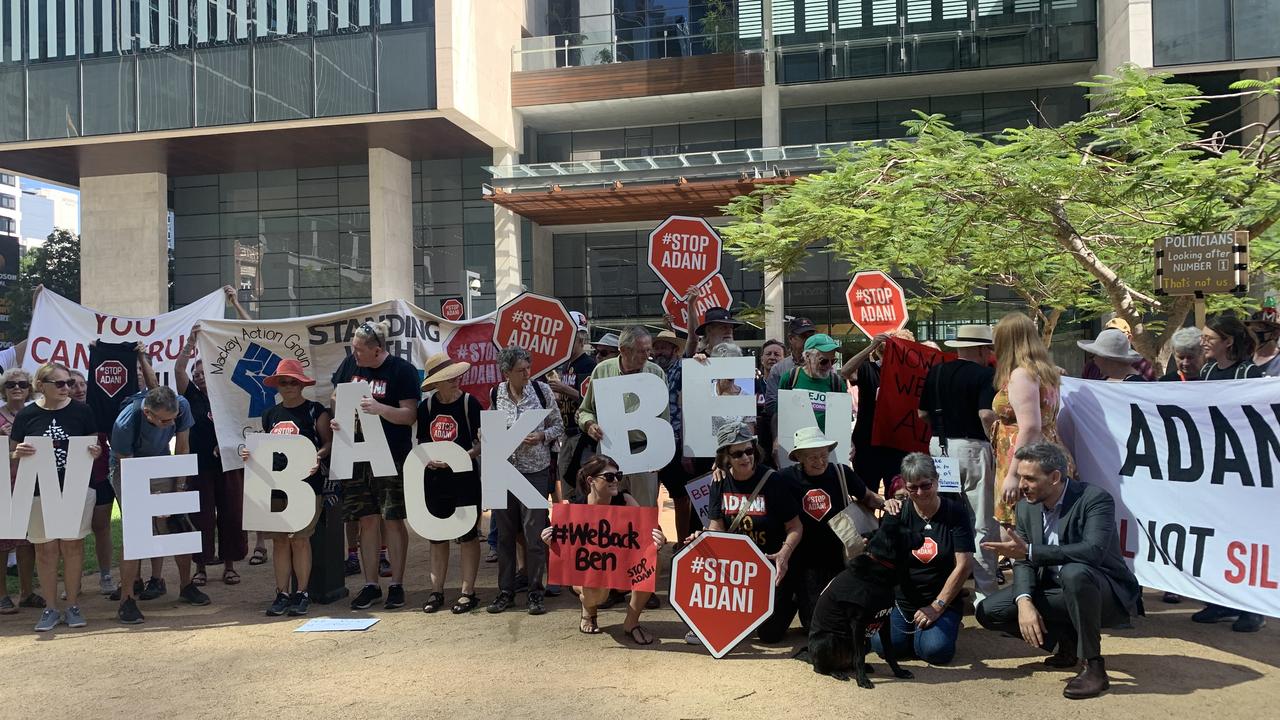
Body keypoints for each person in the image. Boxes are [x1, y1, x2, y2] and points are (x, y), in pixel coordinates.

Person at [976, 443, 1141, 700]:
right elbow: (1024, 561)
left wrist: (1031, 552)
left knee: (1074, 573)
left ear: (1055, 477)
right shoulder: (1025, 506)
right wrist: (1024, 601)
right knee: (989, 611)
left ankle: (1094, 666)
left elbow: (1093, 551)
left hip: (1103, 591)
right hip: (1058, 589)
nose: (1021, 485)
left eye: (1030, 478)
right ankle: (1066, 643)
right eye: (1020, 476)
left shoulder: (1095, 499)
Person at [329, 320, 421, 611]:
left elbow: (409, 415)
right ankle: (371, 585)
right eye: (353, 349)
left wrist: (380, 409)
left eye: (359, 350)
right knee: (366, 520)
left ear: (377, 350)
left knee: (392, 518)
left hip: (390, 454)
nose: (354, 354)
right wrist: (339, 415)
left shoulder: (401, 370)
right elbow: (335, 395)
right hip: (355, 453)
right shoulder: (350, 365)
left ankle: (396, 584)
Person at [10, 363, 103, 631]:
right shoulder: (27, 415)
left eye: (69, 383)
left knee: (72, 547)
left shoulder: (82, 411)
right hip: (39, 489)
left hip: (74, 487)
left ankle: (72, 604)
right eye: (60, 384)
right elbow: (14, 452)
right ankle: (50, 608)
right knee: (46, 549)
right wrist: (19, 453)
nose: (67, 389)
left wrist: (94, 451)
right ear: (42, 385)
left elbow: (92, 444)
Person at [1190, 314, 1266, 632]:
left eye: (1209, 337)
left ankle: (1251, 608)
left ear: (1228, 342)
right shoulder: (1207, 371)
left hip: (1244, 468)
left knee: (1244, 535)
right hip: (1215, 466)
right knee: (1218, 532)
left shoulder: (1250, 373)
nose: (1203, 342)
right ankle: (1221, 601)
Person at [110, 384, 211, 624]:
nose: (170, 425)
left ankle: (186, 585)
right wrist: (148, 499)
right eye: (164, 422)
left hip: (164, 464)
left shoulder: (181, 406)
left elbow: (183, 447)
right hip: (128, 467)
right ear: (148, 413)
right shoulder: (126, 422)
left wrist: (179, 488)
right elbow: (126, 463)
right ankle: (127, 599)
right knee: (136, 533)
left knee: (179, 524)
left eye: (172, 420)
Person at [239, 360, 331, 617]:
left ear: (302, 384)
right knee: (279, 541)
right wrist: (251, 454)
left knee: (300, 540)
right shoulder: (270, 414)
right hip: (276, 487)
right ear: (277, 385)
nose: (289, 386)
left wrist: (318, 457)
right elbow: (265, 450)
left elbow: (328, 443)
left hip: (306, 486)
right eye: (283, 382)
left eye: (293, 381)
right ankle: (281, 593)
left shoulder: (315, 411)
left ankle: (301, 593)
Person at [540, 454, 666, 643]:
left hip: (622, 567)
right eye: (609, 477)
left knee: (653, 561)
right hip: (589, 574)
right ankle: (588, 609)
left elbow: (649, 532)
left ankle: (631, 622)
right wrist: (551, 542)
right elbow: (567, 553)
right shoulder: (576, 508)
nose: (616, 480)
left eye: (618, 475)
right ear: (591, 480)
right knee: (594, 589)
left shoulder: (625, 500)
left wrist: (658, 539)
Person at [919, 324, 999, 601]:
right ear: (981, 349)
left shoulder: (937, 371)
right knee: (981, 520)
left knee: (943, 517)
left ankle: (944, 587)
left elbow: (921, 414)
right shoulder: (986, 374)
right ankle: (985, 595)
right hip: (974, 447)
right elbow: (986, 414)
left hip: (940, 447)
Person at [705, 421, 803, 643]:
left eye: (749, 450)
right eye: (737, 453)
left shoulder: (772, 480)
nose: (745, 458)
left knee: (769, 635)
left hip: (771, 566)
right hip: (738, 569)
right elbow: (716, 526)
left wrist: (784, 554)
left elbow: (795, 526)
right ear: (725, 457)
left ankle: (793, 597)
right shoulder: (719, 482)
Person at [874, 454, 974, 665]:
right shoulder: (897, 512)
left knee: (935, 651)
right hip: (902, 601)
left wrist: (937, 606)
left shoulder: (955, 512)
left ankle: (938, 627)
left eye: (926, 485)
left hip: (939, 599)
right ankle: (915, 633)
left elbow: (964, 565)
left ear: (936, 480)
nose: (920, 493)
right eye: (912, 488)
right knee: (883, 647)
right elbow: (880, 560)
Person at [780, 426, 883, 631]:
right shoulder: (785, 478)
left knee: (841, 617)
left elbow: (868, 497)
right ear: (799, 457)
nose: (819, 461)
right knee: (814, 624)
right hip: (806, 560)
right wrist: (721, 466)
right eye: (812, 457)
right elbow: (758, 478)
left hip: (843, 555)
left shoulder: (841, 472)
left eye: (823, 455)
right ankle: (795, 597)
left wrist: (886, 503)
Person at [488, 346, 563, 615]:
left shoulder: (541, 392)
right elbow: (491, 425)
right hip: (503, 469)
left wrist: (542, 436)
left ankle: (535, 592)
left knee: (534, 535)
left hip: (535, 471)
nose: (527, 374)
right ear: (506, 372)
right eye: (521, 370)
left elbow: (558, 425)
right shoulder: (496, 393)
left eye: (528, 368)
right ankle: (505, 591)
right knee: (505, 536)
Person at [177, 325, 247, 587]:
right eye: (196, 372)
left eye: (203, 371)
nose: (198, 376)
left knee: (231, 514)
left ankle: (229, 566)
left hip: (229, 465)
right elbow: (178, 370)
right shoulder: (191, 397)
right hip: (199, 466)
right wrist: (190, 341)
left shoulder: (228, 395)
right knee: (201, 516)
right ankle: (201, 567)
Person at [416, 357, 484, 615]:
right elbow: (421, 441)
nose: (455, 379)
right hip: (435, 480)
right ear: (437, 383)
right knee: (437, 536)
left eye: (455, 374)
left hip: (464, 478)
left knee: (467, 535)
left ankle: (468, 592)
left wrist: (463, 456)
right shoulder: (426, 408)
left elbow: (481, 443)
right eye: (448, 376)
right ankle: (437, 591)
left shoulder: (470, 404)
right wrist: (429, 460)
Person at [578, 326, 669, 508]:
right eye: (642, 351)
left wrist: (660, 454)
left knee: (643, 512)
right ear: (623, 350)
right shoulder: (601, 371)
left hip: (644, 454)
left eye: (648, 350)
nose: (647, 355)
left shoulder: (656, 373)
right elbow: (585, 410)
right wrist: (589, 424)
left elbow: (664, 419)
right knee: (605, 510)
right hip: (609, 454)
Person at [990, 312, 1066, 529]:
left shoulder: (1021, 375)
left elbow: (1030, 427)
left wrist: (1014, 475)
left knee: (1017, 534)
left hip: (1025, 461)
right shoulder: (1045, 372)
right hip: (1044, 454)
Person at [841, 329, 915, 494]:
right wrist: (870, 347)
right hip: (868, 446)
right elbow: (845, 372)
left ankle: (892, 521)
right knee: (865, 495)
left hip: (898, 448)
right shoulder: (868, 369)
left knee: (899, 495)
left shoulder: (911, 376)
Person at [67, 370, 116, 596]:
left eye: (82, 384)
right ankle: (72, 581)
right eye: (72, 384)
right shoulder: (61, 413)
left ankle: (106, 574)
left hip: (100, 475)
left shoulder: (100, 408)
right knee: (71, 533)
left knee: (102, 527)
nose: (79, 389)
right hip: (71, 478)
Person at [0, 367, 42, 614]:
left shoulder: (35, 415)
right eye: (11, 384)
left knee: (29, 540)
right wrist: (9, 450)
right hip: (4, 484)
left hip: (32, 482)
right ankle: (2, 595)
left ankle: (27, 592)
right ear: (3, 390)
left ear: (30, 389)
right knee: (3, 543)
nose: (17, 388)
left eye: (23, 384)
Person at [548, 326, 596, 501]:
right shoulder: (567, 364)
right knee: (567, 481)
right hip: (566, 432)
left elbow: (589, 399)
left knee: (581, 481)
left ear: (581, 342)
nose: (565, 346)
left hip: (580, 433)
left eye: (570, 342)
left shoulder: (588, 364)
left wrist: (564, 389)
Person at [1081, 318, 1155, 380]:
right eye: (1108, 334)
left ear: (1129, 337)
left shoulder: (1142, 365)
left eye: (1118, 334)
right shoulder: (1091, 366)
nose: (1111, 339)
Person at [1077, 329, 1145, 382]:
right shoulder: (1105, 381)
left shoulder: (1137, 387)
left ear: (1107, 358)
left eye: (1096, 354)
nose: (1094, 359)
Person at [1246, 310, 1280, 377]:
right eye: (1251, 328)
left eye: (1259, 327)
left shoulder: (1277, 362)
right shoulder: (1243, 357)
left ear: (1276, 333)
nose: (1253, 333)